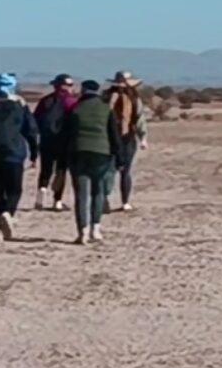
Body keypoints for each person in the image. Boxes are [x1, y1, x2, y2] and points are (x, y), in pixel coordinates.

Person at [0, 73, 39, 241]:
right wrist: (34, 153)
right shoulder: (19, 104)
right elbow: (31, 130)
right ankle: (7, 213)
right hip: (14, 153)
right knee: (14, 189)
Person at [65, 79, 124, 245]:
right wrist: (120, 158)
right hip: (101, 153)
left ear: (83, 91)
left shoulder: (76, 109)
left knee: (81, 194)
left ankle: (82, 231)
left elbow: (67, 135)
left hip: (78, 152)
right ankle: (95, 228)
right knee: (98, 191)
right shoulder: (106, 109)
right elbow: (114, 135)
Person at [103, 70, 148, 212]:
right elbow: (140, 119)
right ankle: (118, 201)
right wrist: (143, 137)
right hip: (119, 137)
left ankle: (112, 200)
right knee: (118, 170)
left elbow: (139, 119)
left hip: (117, 137)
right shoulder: (114, 98)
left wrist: (143, 137)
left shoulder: (109, 97)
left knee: (114, 170)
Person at [33, 73, 78, 210]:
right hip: (63, 141)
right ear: (64, 86)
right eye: (70, 85)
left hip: (46, 140)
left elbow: (35, 119)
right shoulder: (71, 102)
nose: (72, 88)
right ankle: (57, 201)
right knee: (61, 171)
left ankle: (41, 194)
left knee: (45, 169)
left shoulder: (45, 100)